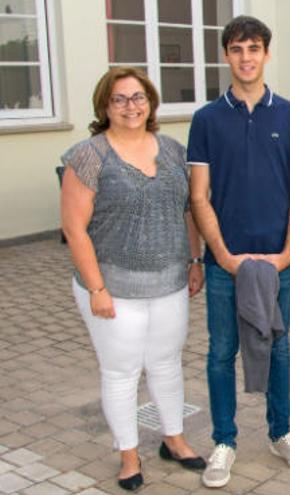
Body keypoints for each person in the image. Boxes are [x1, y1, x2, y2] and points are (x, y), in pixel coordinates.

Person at [60, 67, 206, 492]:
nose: (131, 106)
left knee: (166, 365)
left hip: (171, 283)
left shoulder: (174, 150)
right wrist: (97, 289)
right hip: (112, 287)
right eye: (120, 99)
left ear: (151, 102)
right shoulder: (88, 156)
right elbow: (74, 228)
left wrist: (194, 260)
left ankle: (174, 439)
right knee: (121, 372)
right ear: (105, 106)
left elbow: (187, 211)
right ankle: (128, 455)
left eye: (138, 97)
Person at [188, 16, 290, 488]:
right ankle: (224, 441)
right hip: (228, 265)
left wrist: (287, 253)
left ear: (266, 54)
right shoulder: (206, 120)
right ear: (226, 55)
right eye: (237, 48)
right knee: (222, 352)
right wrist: (220, 256)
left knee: (278, 349)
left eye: (255, 48)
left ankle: (281, 433)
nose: (246, 57)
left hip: (276, 264)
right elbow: (199, 196)